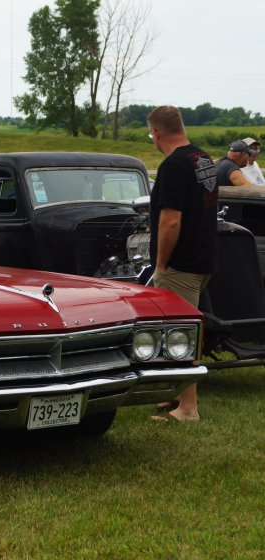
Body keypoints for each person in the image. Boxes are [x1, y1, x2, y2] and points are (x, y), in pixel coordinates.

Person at [147, 105, 218, 422]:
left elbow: (170, 221)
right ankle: (175, 397)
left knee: (181, 336)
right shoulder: (202, 158)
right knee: (186, 331)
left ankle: (188, 408)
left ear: (157, 133)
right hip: (204, 257)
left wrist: (161, 263)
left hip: (181, 263)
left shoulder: (173, 165)